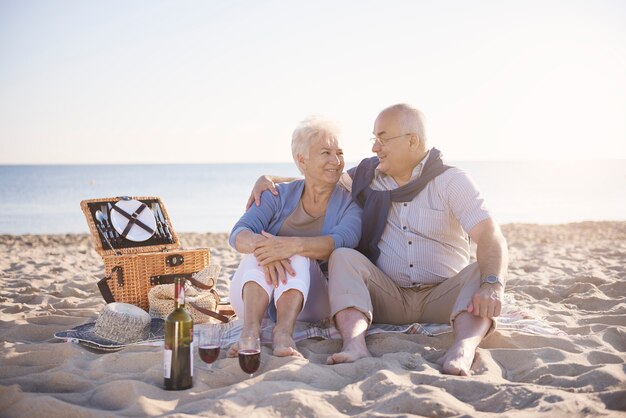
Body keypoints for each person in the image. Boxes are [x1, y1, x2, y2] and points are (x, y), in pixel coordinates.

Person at [247, 104, 508, 375]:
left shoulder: (451, 181)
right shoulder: (369, 176)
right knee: (343, 255)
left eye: (383, 138)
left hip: (443, 297)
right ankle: (354, 344)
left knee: (484, 269)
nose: (375, 147)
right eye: (374, 139)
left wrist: (492, 284)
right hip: (388, 297)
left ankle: (463, 348)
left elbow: (490, 235)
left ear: (412, 141)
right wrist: (270, 179)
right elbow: (321, 176)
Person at [228, 116, 362, 358]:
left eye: (339, 152)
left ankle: (283, 332)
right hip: (254, 299)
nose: (336, 161)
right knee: (257, 252)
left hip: (312, 302)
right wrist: (266, 248)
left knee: (299, 256)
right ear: (302, 159)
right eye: (326, 153)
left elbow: (344, 240)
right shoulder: (276, 195)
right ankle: (249, 331)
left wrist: (290, 246)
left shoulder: (349, 203)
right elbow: (238, 234)